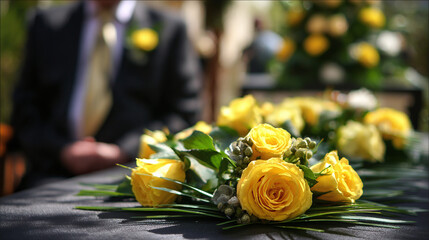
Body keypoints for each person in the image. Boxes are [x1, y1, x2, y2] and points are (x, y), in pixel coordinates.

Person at [9, 0, 202, 189]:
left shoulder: (169, 28)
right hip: (50, 176)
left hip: (132, 180)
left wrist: (124, 151)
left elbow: (183, 114)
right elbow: (24, 109)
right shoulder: (46, 23)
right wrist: (61, 150)